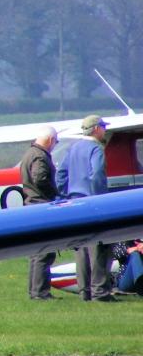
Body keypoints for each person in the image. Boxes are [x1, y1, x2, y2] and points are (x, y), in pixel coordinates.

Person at [56, 114, 116, 301]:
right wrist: (99, 198)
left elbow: (61, 175)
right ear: (96, 129)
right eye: (103, 127)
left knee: (81, 247)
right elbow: (97, 172)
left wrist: (66, 194)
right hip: (92, 202)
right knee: (99, 246)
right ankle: (100, 291)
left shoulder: (73, 148)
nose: (104, 130)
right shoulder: (96, 148)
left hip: (75, 202)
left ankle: (84, 291)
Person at [20, 125, 58, 300]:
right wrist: (55, 193)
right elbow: (40, 178)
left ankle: (35, 291)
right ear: (50, 139)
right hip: (41, 206)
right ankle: (41, 293)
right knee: (45, 251)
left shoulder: (29, 153)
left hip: (32, 205)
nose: (55, 144)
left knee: (37, 253)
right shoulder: (39, 156)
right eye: (55, 141)